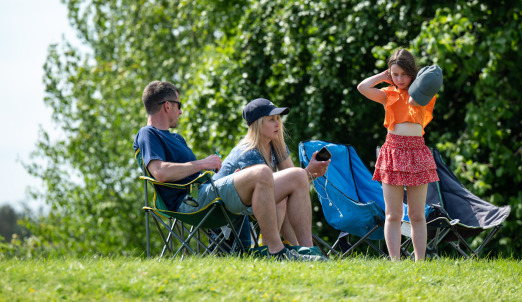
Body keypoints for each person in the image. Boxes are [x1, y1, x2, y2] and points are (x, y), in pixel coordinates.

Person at [133, 81, 323, 261]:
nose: (180, 111)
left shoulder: (177, 139)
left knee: (297, 175)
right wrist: (202, 163)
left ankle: (309, 252)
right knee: (262, 172)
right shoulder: (148, 133)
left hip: (208, 191)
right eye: (178, 104)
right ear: (168, 106)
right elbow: (160, 173)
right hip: (191, 201)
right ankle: (276, 251)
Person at [356, 48, 442, 261]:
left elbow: (420, 92)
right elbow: (362, 87)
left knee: (416, 215)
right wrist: (384, 76)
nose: (399, 79)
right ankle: (395, 261)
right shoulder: (388, 94)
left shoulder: (421, 95)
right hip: (392, 152)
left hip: (417, 152)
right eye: (395, 74)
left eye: (404, 74)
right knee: (393, 215)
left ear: (412, 73)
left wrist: (416, 80)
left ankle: (419, 261)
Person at [213, 98, 330, 251]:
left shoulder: (276, 144)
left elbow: (295, 182)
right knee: (278, 197)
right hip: (222, 203)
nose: (277, 124)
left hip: (248, 199)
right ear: (258, 124)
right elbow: (265, 189)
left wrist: (312, 173)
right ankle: (272, 248)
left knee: (284, 194)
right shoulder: (249, 152)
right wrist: (308, 172)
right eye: (271, 119)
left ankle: (301, 250)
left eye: (278, 119)